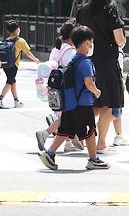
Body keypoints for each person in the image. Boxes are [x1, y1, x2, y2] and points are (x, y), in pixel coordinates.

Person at [37, 26, 109, 170]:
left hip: (70, 103)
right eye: (91, 42)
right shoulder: (85, 62)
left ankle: (50, 153)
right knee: (89, 132)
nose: (91, 45)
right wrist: (97, 92)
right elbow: (89, 83)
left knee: (65, 130)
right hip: (82, 103)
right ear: (86, 43)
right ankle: (93, 159)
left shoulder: (74, 60)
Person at [75, 0, 126, 153]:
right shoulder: (111, 10)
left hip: (87, 62)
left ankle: (75, 133)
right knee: (110, 104)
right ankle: (101, 142)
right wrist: (122, 41)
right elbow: (119, 40)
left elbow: (77, 36)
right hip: (107, 63)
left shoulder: (83, 11)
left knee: (94, 103)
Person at [35, 20, 82, 152]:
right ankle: (45, 133)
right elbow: (74, 70)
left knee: (66, 116)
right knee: (68, 116)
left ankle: (70, 141)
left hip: (55, 88)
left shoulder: (57, 48)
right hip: (66, 89)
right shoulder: (70, 52)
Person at [0, 20, 40, 109]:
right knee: (9, 82)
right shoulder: (20, 41)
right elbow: (27, 52)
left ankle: (16, 101)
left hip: (6, 64)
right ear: (17, 29)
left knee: (12, 81)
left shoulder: (6, 40)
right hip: (14, 65)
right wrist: (35, 59)